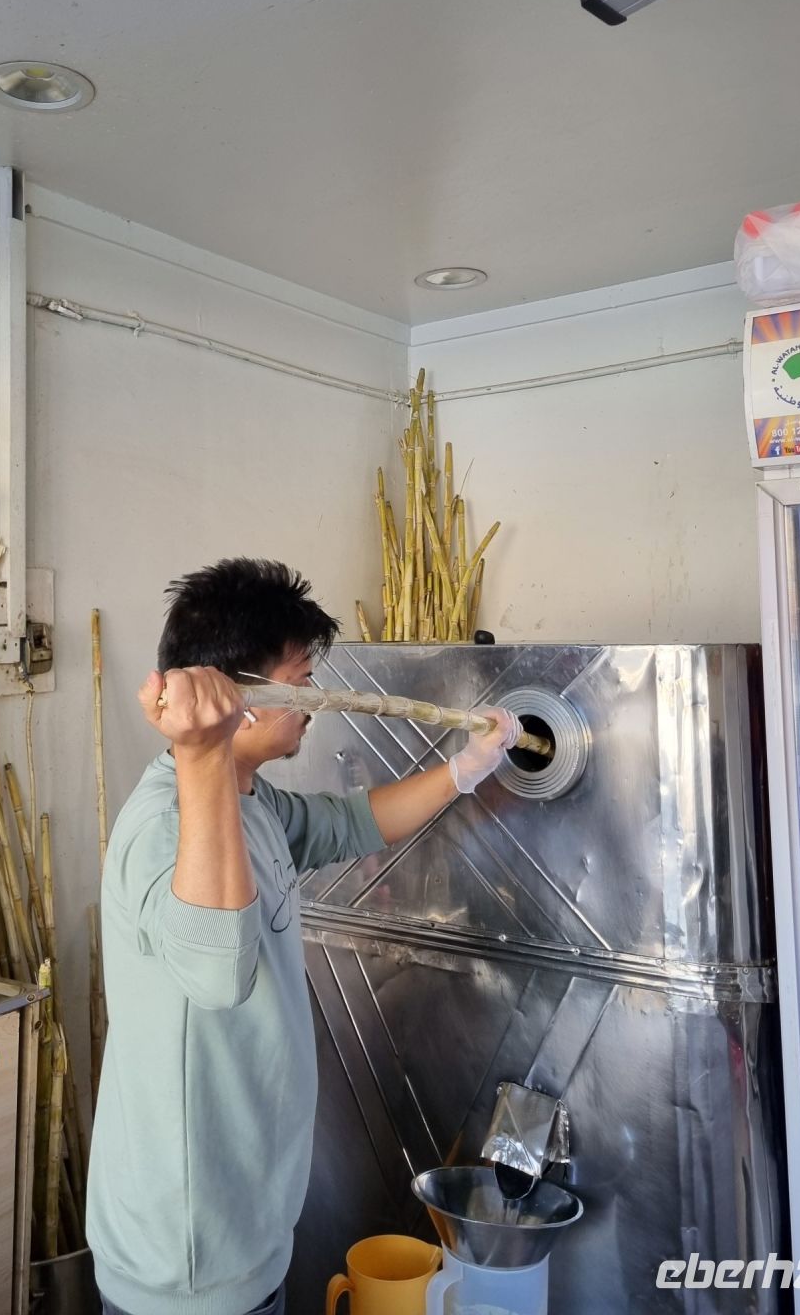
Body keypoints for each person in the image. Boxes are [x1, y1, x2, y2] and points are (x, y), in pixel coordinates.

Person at [87, 558, 517, 1315]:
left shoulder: (251, 803)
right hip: (187, 1259)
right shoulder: (165, 827)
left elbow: (352, 822)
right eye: (301, 680)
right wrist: (200, 750)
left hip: (248, 1223)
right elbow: (218, 971)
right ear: (242, 699)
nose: (316, 699)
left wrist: (466, 771)